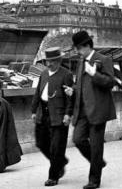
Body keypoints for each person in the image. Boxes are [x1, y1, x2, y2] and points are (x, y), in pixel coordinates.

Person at [69, 31, 116, 189]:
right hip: (82, 111)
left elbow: (110, 82)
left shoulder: (104, 60)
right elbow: (80, 85)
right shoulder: (81, 62)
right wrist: (73, 90)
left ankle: (94, 181)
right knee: (77, 139)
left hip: (98, 110)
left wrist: (94, 74)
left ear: (87, 46)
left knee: (96, 146)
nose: (77, 52)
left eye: (79, 48)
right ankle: (98, 162)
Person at [31, 47, 74, 186]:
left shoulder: (66, 74)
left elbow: (70, 98)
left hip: (59, 115)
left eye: (52, 61)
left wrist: (68, 114)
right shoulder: (43, 74)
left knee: (57, 147)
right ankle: (60, 162)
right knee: (41, 143)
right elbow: (38, 92)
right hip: (43, 113)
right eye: (47, 61)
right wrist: (33, 111)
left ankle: (53, 177)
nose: (49, 64)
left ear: (59, 61)